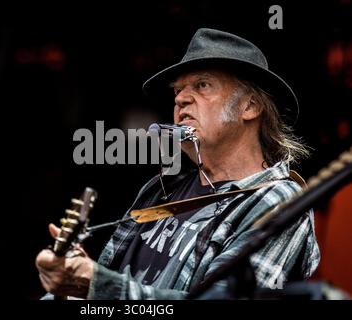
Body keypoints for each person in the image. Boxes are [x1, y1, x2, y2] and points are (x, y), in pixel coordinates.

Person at [35, 28, 320, 300]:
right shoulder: (164, 187)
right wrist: (72, 285)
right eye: (178, 90)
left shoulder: (279, 204)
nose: (181, 98)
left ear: (250, 106)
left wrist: (98, 286)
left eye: (202, 85)